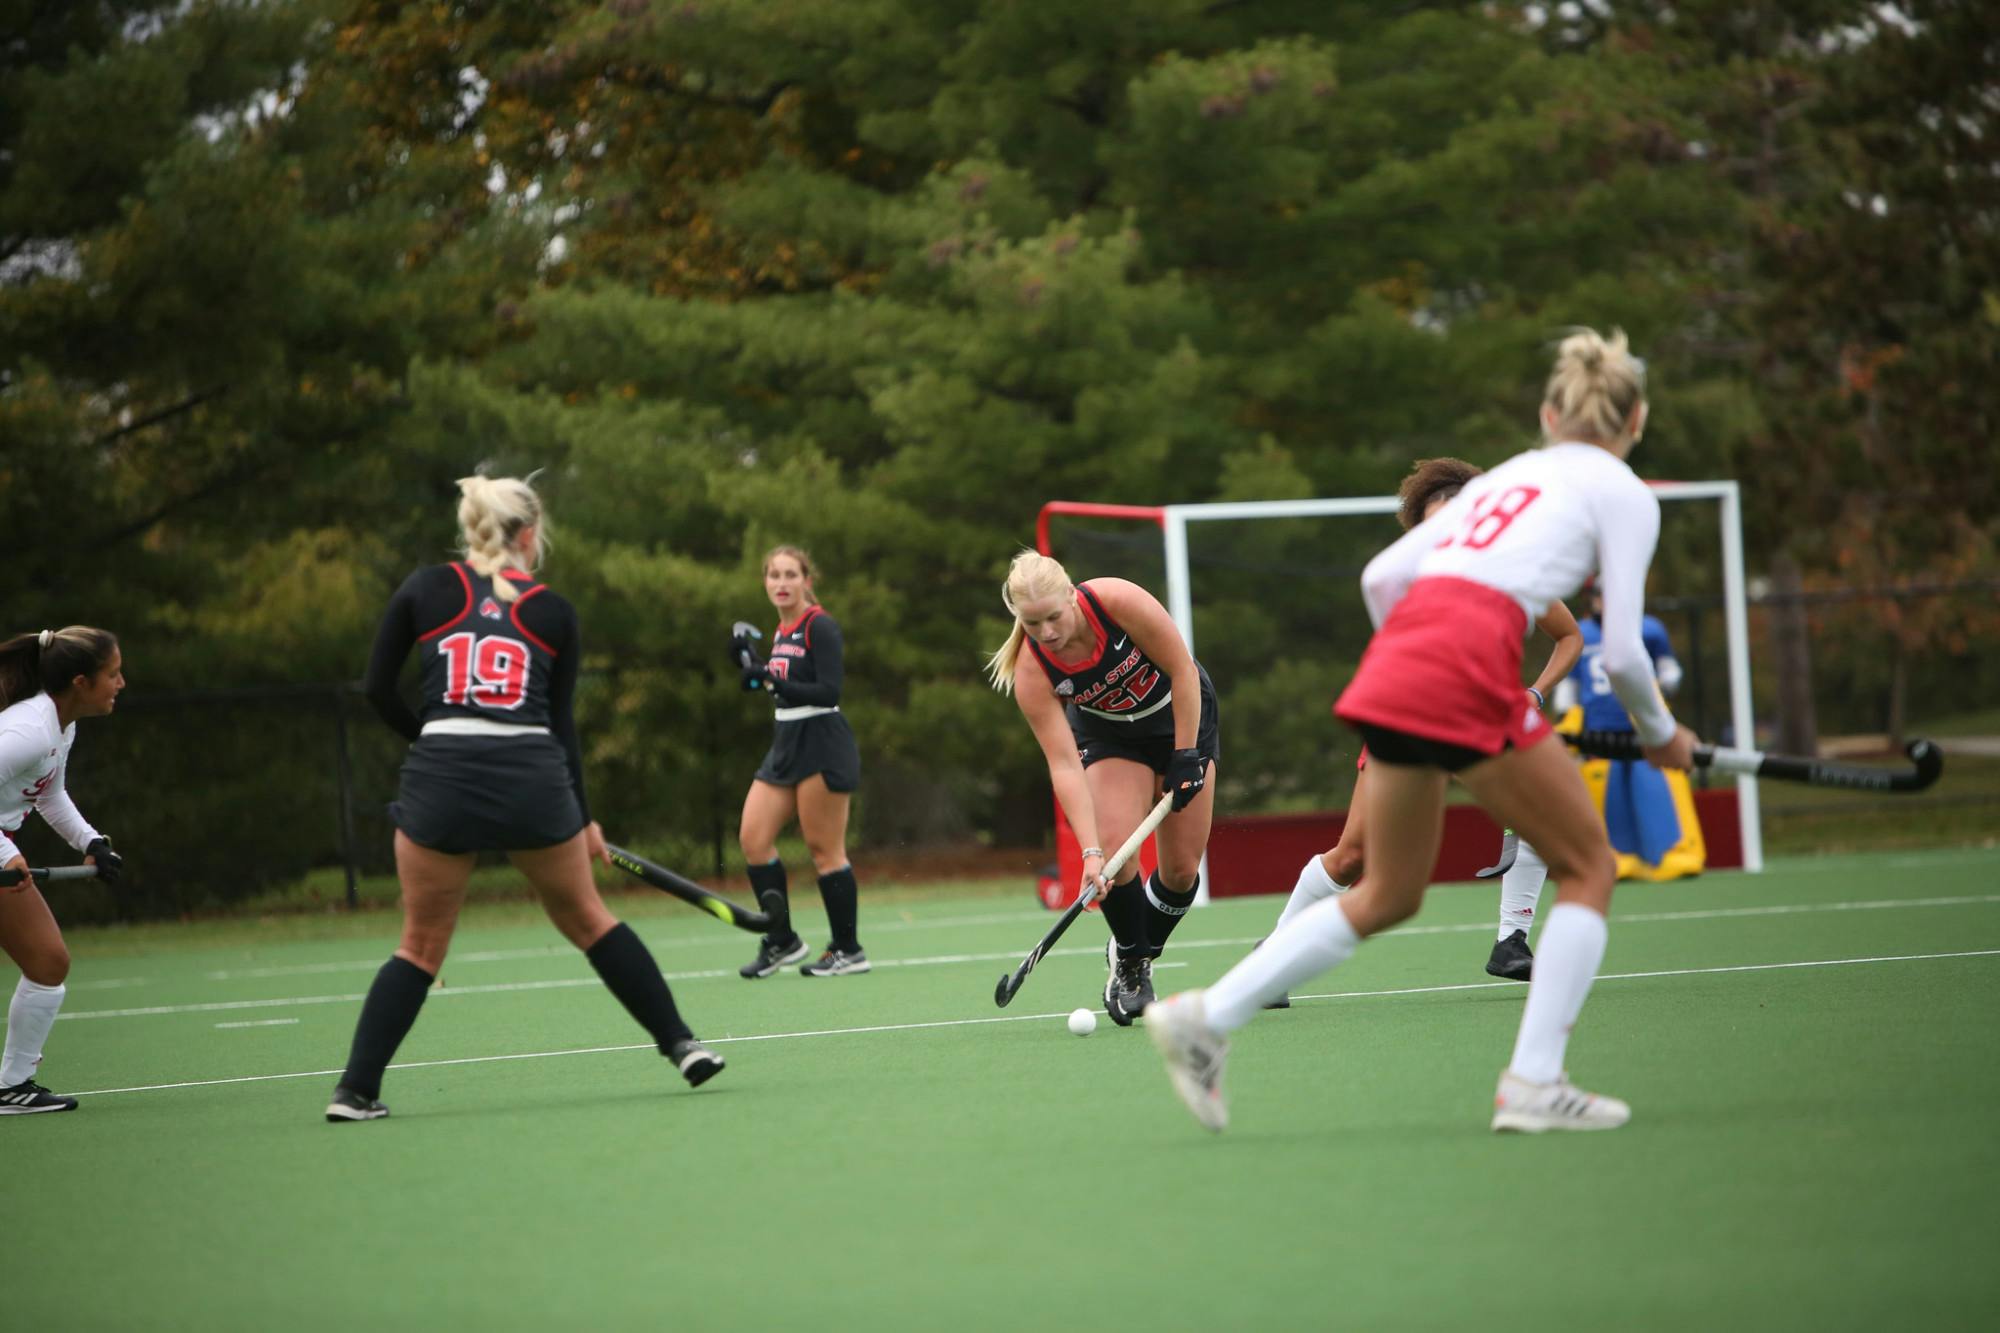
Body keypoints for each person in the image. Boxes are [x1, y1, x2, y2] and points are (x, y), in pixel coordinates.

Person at [1148, 327, 1696, 1134]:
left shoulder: (1510, 479)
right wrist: (1663, 735)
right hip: (1463, 668)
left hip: (1397, 664)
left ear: (1549, 413)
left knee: (1390, 891)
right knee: (1588, 864)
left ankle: (1208, 1015)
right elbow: (1618, 651)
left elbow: (1382, 576)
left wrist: (1416, 659)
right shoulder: (1624, 493)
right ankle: (1535, 1081)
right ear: (1637, 419)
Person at [327, 475, 721, 1122]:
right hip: (530, 776)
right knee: (591, 920)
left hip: (441, 778)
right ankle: (681, 1044)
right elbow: (561, 726)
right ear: (530, 535)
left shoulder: (424, 587)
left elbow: (375, 688)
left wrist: (431, 738)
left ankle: (353, 1090)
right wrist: (583, 816)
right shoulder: (553, 610)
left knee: (420, 945)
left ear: (469, 525)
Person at [1263, 459, 1583, 993]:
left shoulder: (1513, 571)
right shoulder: (1407, 576)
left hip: (1484, 719)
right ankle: (1273, 956)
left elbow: (1568, 636)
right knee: (1354, 857)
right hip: (1411, 718)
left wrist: (1534, 692)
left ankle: (1512, 942)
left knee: (1543, 820)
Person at [986, 552, 1219, 1025]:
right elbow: (1064, 764)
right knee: (1116, 855)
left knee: (1179, 873)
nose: (1047, 631)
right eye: (1033, 623)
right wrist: (1090, 851)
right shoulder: (1032, 671)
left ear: (1072, 595)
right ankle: (1132, 966)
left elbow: (1183, 670)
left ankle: (1135, 947)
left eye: (1054, 616)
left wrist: (1185, 754)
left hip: (1181, 715)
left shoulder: (1116, 601)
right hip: (1111, 736)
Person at [0, 626, 125, 1114]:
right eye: (112, 675)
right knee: (50, 962)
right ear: (80, 682)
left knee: (49, 962)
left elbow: (49, 794)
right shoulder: (28, 731)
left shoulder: (60, 727)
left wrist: (90, 840)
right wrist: (4, 854)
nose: (121, 684)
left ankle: (12, 1086)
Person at [731, 545, 869, 978]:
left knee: (824, 851)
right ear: (765, 582)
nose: (782, 583)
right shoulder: (780, 631)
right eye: (774, 575)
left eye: (791, 575)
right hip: (786, 741)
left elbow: (829, 691)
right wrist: (752, 665)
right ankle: (782, 940)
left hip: (822, 742)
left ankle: (847, 949)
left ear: (808, 580)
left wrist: (770, 677)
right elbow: (782, 687)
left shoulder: (819, 626)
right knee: (754, 840)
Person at [1555, 588, 1705, 881]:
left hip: (1642, 725)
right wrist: (1567, 718)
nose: (1604, 602)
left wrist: (1666, 686)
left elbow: (1668, 669)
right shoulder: (1579, 633)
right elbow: (1570, 682)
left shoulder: (1648, 629)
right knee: (1606, 790)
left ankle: (1671, 850)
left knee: (1654, 784)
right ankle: (1616, 855)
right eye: (1598, 596)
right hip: (1599, 730)